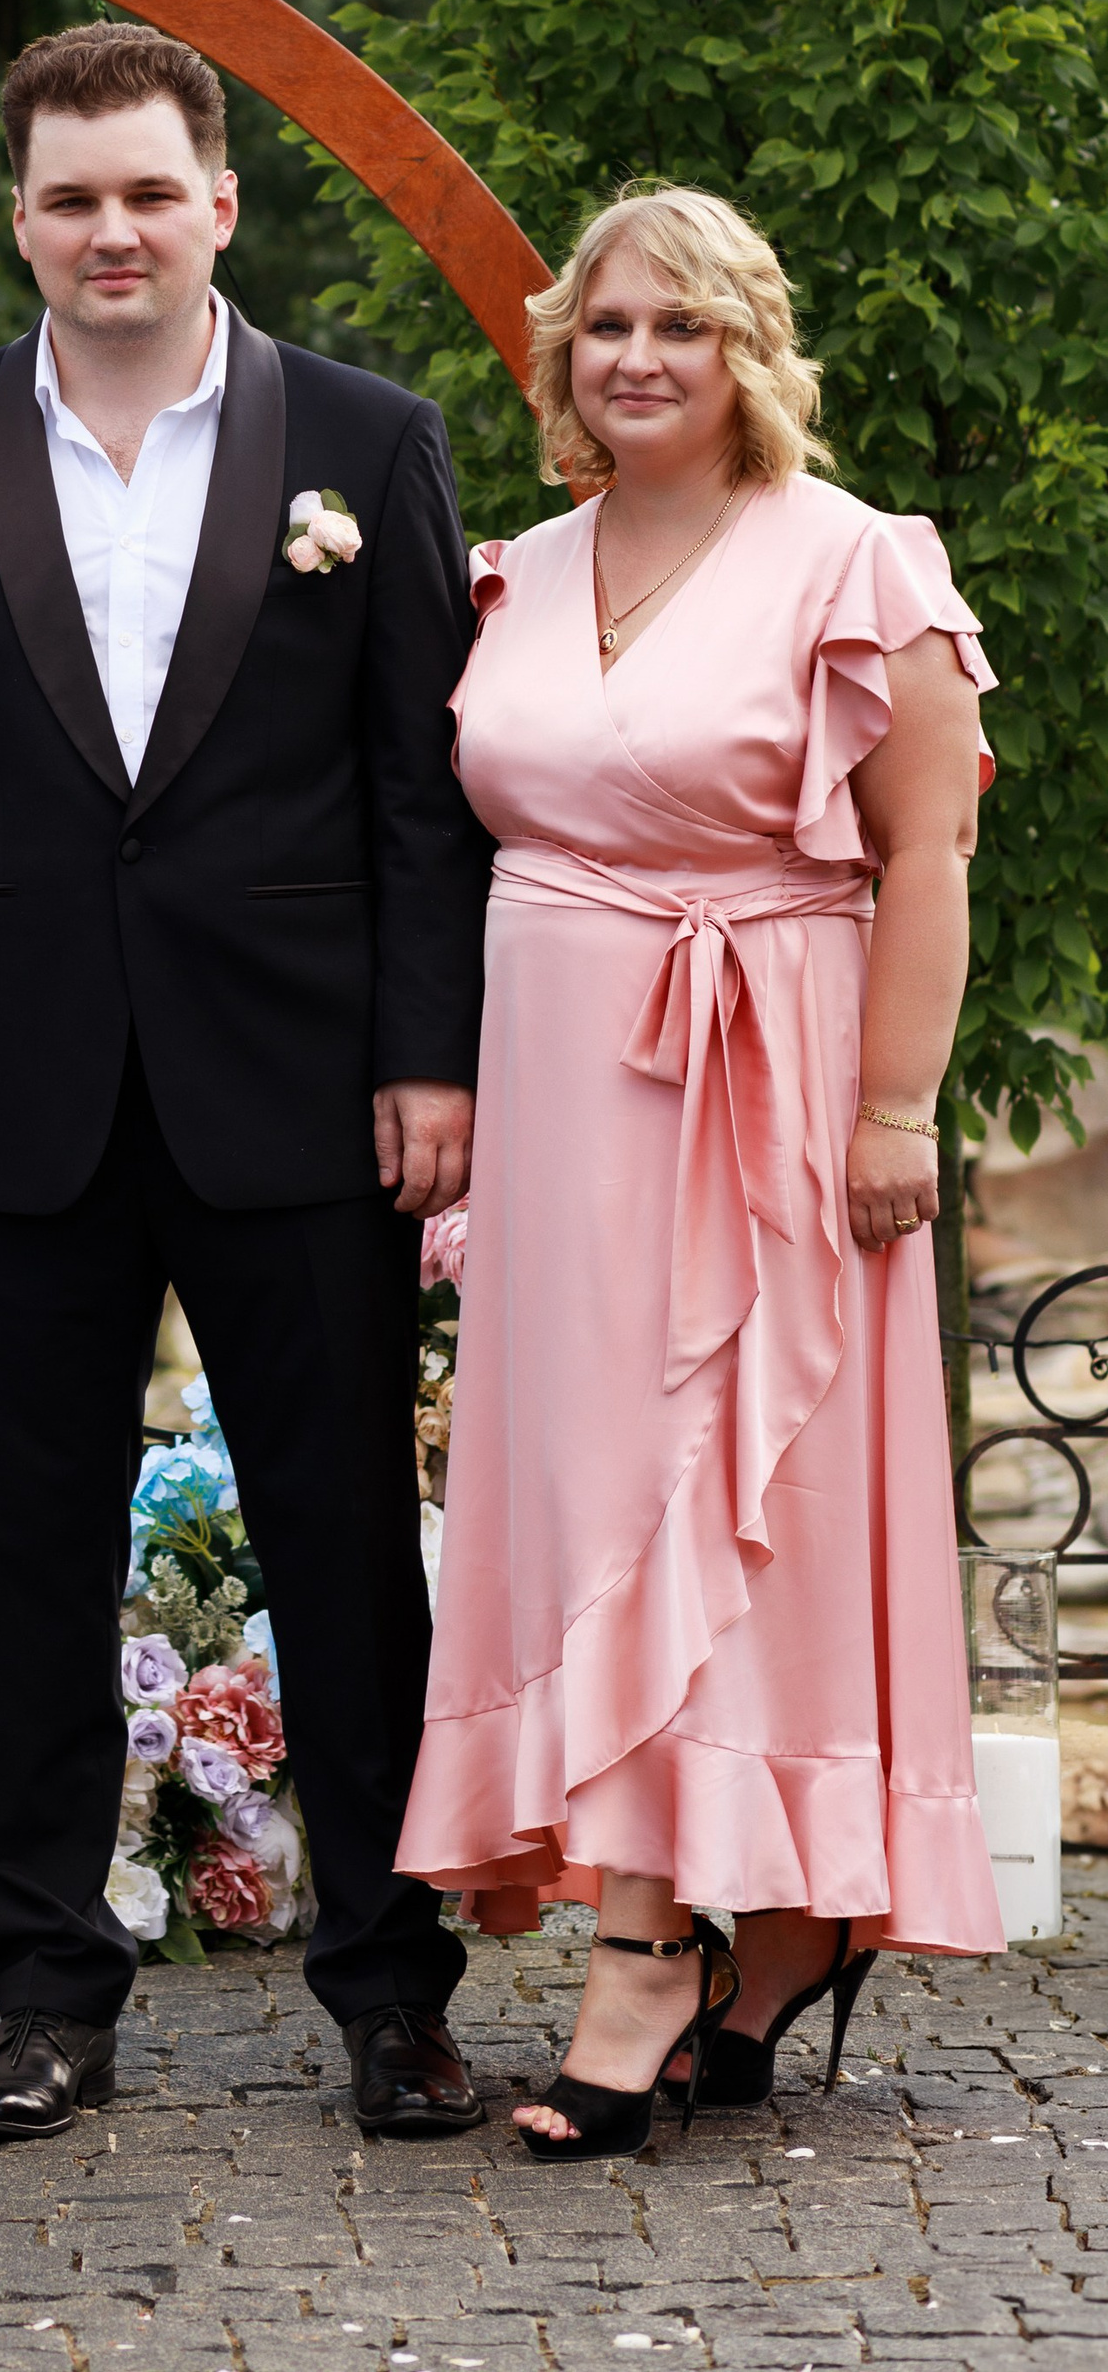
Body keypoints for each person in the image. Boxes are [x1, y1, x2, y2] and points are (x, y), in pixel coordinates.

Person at [0, 21, 496, 2146]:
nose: (109, 229)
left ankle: (391, 1988)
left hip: (297, 1091)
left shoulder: (362, 444)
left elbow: (415, 795)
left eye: (144, 191)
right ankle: (46, 1988)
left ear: (220, 203)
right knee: (21, 1556)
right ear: (15, 218)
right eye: (67, 196)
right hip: (11, 1097)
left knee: (348, 1550)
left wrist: (427, 1061)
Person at [399, 185, 1003, 2163]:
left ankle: (650, 1950)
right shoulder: (520, 569)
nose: (637, 359)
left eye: (680, 326)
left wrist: (896, 1109)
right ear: (561, 354)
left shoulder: (853, 564)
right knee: (593, 1502)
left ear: (748, 349)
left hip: (777, 1093)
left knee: (746, 1493)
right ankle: (780, 1932)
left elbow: (922, 852)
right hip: (563, 1096)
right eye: (604, 328)